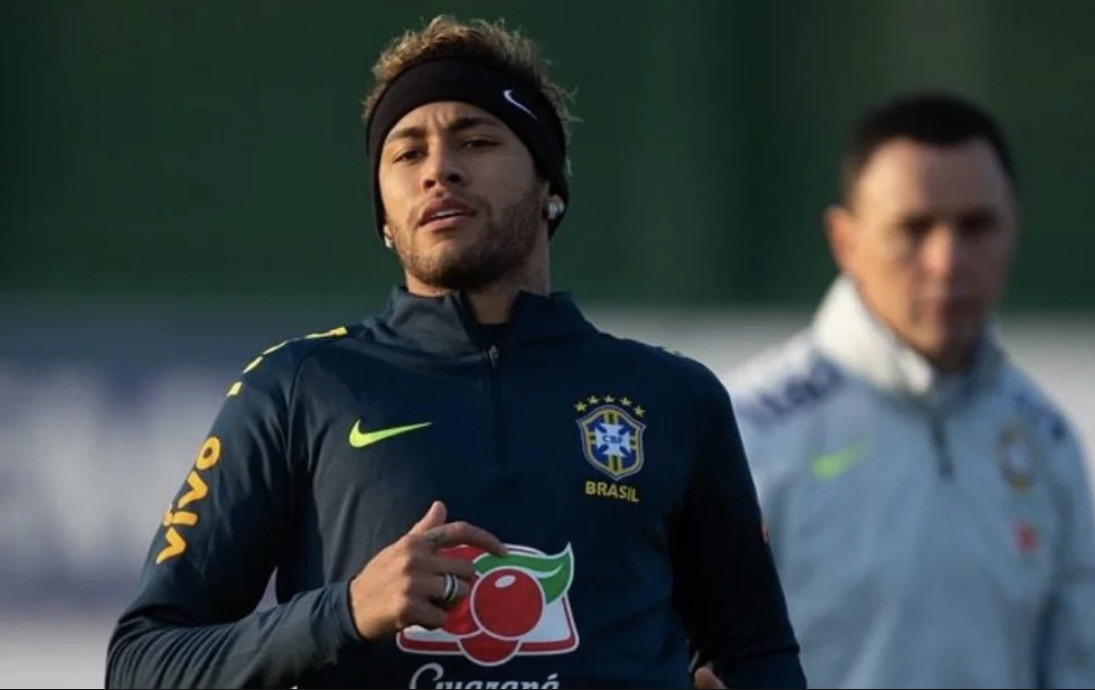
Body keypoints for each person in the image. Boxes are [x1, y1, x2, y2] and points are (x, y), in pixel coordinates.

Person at [104, 15, 805, 690]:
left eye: (476, 141)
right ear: (383, 214)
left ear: (549, 186)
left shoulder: (673, 395)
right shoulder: (297, 387)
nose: (439, 170)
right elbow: (142, 663)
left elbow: (758, 653)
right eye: (407, 152)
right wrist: (343, 612)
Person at [722, 91, 1095, 689]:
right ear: (845, 242)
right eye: (913, 229)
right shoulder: (746, 434)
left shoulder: (1044, 439)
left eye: (977, 226)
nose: (947, 261)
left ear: (1014, 231)